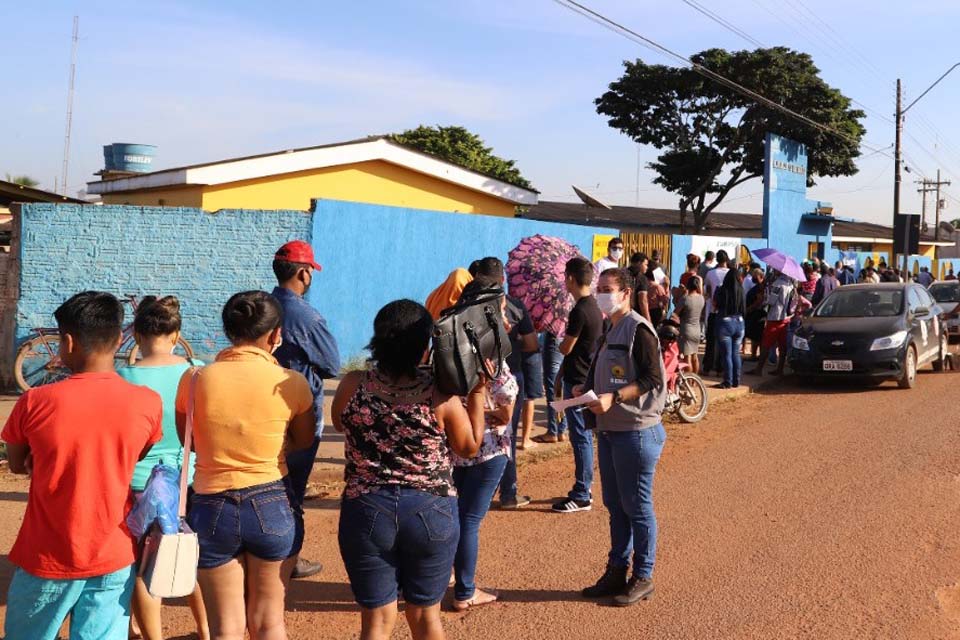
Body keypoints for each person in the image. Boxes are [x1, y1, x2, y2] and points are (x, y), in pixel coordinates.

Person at [3, 291, 163, 640]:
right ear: (119, 338)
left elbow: (16, 463)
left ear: (68, 341)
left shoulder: (35, 401)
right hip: (114, 552)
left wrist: (45, 457)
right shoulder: (147, 403)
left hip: (47, 554)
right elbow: (135, 453)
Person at [332, 299, 487, 640]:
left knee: (376, 620)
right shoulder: (440, 395)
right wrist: (477, 394)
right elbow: (468, 447)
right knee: (425, 616)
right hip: (431, 510)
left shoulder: (352, 385)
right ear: (426, 346)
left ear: (377, 340)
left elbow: (339, 423)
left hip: (367, 507)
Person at [179, 291, 316, 639]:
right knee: (269, 622)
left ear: (229, 331)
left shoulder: (194, 379)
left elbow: (187, 440)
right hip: (272, 502)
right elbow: (302, 441)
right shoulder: (293, 383)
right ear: (275, 335)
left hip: (211, 506)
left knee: (225, 628)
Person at [118, 296, 210, 640]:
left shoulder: (121, 377)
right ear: (176, 334)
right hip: (188, 480)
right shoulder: (197, 370)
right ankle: (205, 630)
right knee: (189, 555)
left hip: (137, 482)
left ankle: (151, 635)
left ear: (137, 336)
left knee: (144, 565)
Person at [579, 268, 666, 607]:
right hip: (611, 430)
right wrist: (584, 392)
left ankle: (643, 575)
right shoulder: (609, 328)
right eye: (599, 288)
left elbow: (652, 378)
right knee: (615, 506)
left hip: (636, 432)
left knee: (637, 507)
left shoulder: (638, 329)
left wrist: (613, 398)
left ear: (626, 293)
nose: (601, 294)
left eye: (608, 289)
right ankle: (617, 569)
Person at [271, 240, 341, 580]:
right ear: (304, 273)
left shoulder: (261, 305)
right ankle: (288, 560)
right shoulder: (306, 315)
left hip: (262, 411)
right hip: (298, 413)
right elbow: (330, 364)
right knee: (292, 491)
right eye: (310, 270)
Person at [449, 278, 519, 609]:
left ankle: (443, 577)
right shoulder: (492, 347)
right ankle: (465, 591)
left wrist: (464, 411)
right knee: (469, 520)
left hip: (455, 445)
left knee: (454, 515)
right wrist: (484, 409)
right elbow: (505, 412)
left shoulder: (451, 341)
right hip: (488, 449)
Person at [470, 257, 538, 509]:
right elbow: (532, 345)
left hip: (473, 377)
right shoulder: (516, 306)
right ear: (502, 280)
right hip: (508, 376)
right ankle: (508, 494)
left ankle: (473, 490)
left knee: (473, 430)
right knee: (505, 434)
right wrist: (512, 340)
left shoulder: (465, 307)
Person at [552, 257, 604, 514]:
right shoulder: (593, 307)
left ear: (571, 278)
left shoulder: (580, 311)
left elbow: (567, 347)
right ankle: (584, 489)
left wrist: (559, 340)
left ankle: (582, 493)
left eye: (565, 276)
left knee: (581, 438)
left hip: (579, 383)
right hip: (583, 378)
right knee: (583, 437)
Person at [749, 271, 796, 377]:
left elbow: (771, 301)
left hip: (775, 317)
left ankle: (759, 369)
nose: (774, 271)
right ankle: (780, 369)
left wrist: (765, 296)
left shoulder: (778, 284)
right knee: (782, 346)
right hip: (786, 318)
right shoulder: (790, 284)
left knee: (766, 344)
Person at [714, 270, 747, 389]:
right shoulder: (741, 290)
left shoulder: (721, 290)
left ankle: (727, 381)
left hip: (725, 323)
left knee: (726, 354)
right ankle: (736, 381)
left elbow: (715, 305)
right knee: (735, 353)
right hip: (739, 322)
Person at [702, 250, 731, 376]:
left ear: (716, 260)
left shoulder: (710, 273)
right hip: (727, 311)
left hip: (713, 311)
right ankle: (720, 369)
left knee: (711, 341)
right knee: (723, 341)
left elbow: (707, 292)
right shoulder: (731, 274)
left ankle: (707, 368)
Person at [533, 331, 565, 443]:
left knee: (553, 389)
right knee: (560, 388)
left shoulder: (554, 314)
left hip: (554, 339)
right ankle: (560, 429)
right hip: (564, 337)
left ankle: (553, 431)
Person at [676, 278, 704, 374]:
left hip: (686, 329)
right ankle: (695, 380)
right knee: (695, 356)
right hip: (697, 329)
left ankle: (688, 380)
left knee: (687, 357)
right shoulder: (701, 298)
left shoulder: (686, 299)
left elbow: (676, 313)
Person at [744, 269, 767, 360]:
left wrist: (749, 309)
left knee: (758, 336)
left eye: (755, 276)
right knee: (755, 336)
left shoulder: (761, 287)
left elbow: (759, 301)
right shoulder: (758, 286)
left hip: (758, 314)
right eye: (753, 275)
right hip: (754, 313)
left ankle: (756, 356)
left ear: (761, 277)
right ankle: (754, 355)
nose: (753, 277)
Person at [628, 252, 651, 322]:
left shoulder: (622, 274)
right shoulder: (641, 278)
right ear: (639, 263)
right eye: (646, 265)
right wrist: (648, 321)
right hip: (635, 317)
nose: (647, 267)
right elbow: (643, 301)